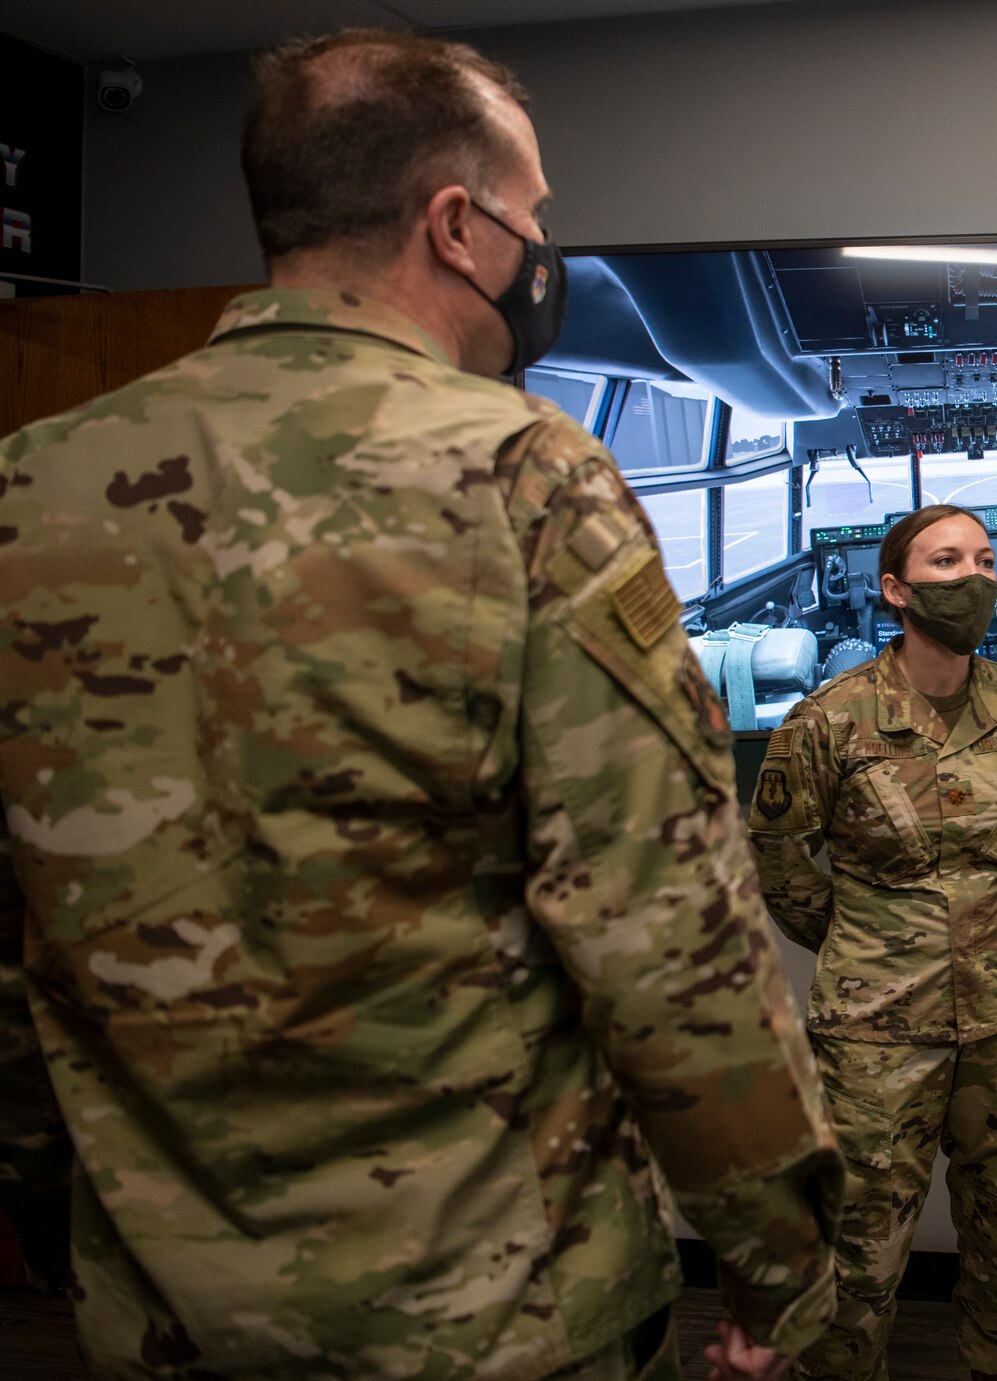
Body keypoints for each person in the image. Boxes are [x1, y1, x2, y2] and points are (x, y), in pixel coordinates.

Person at [0, 30, 840, 1381]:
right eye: (537, 214)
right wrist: (773, 1247)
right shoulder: (523, 477)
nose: (546, 249)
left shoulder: (29, 482)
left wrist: (47, 1200)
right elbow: (659, 920)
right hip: (486, 1312)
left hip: (156, 1309)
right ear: (457, 226)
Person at [748, 505, 997, 1381]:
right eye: (944, 561)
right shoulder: (830, 719)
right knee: (857, 1243)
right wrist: (867, 942)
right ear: (896, 589)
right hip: (874, 1034)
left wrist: (977, 927)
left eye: (981, 558)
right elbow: (779, 855)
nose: (971, 577)